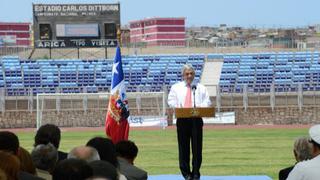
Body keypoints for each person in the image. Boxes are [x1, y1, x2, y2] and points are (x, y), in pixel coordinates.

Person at [168, 64, 211, 180]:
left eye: (191, 73)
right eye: (187, 73)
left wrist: (198, 108)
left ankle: (196, 173)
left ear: (194, 75)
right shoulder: (176, 87)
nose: (189, 76)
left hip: (196, 121)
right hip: (182, 120)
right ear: (183, 75)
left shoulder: (200, 88)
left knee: (197, 148)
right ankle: (186, 174)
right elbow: (171, 101)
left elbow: (207, 102)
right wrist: (178, 107)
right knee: (183, 148)